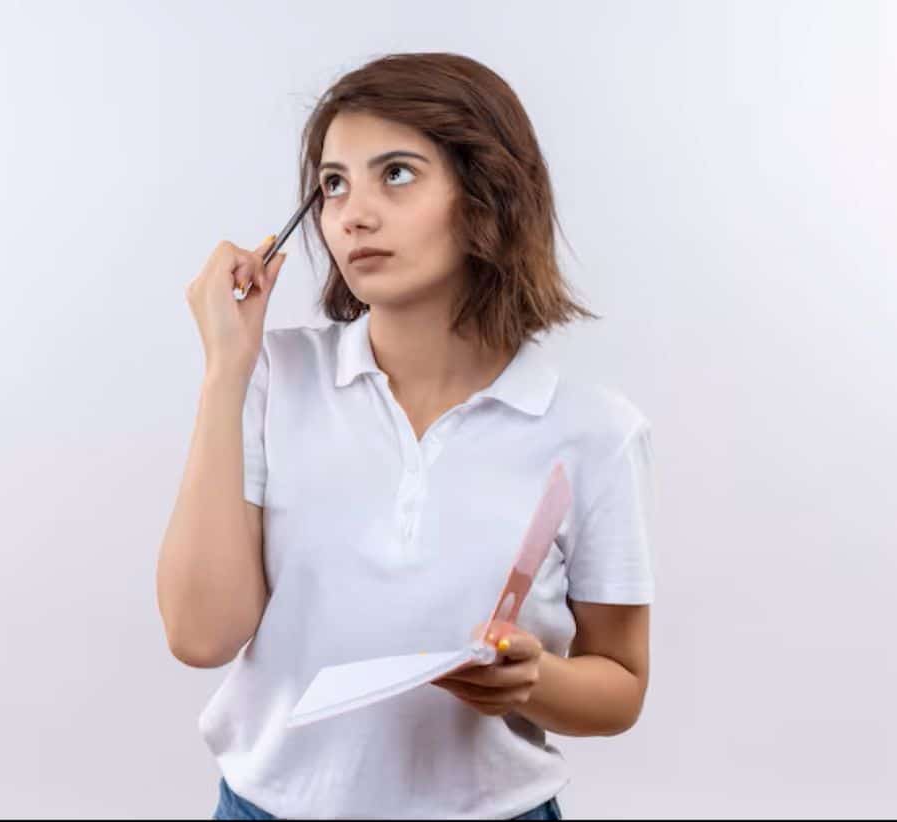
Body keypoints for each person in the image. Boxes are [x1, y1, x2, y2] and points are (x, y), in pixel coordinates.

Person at [158, 52, 656, 821]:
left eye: (395, 173)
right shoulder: (270, 378)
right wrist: (227, 369)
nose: (352, 213)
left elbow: (620, 685)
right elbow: (201, 635)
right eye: (332, 184)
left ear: (487, 194)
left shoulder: (595, 432)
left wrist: (536, 682)